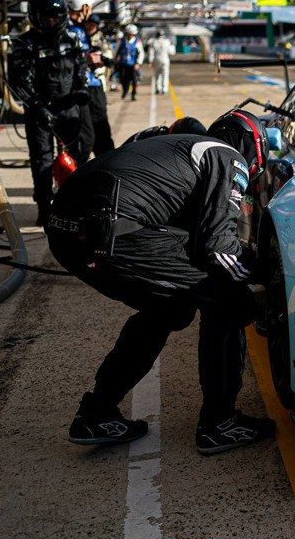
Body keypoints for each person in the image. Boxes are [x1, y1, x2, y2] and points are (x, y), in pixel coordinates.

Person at [47, 109, 275, 455]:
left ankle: (97, 412)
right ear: (251, 146)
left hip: (64, 231)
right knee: (229, 301)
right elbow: (217, 247)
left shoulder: (176, 147)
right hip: (113, 230)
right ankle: (220, 423)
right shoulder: (228, 157)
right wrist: (266, 279)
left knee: (170, 307)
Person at [8, 0, 88, 226]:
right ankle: (44, 207)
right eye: (47, 17)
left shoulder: (72, 39)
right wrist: (36, 106)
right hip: (40, 110)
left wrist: (80, 87)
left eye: (56, 16)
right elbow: (19, 80)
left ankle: (75, 205)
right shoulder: (25, 43)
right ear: (36, 17)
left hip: (68, 108)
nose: (52, 21)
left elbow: (80, 65)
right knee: (41, 161)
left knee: (76, 158)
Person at [66, 0, 114, 157]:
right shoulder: (69, 30)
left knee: (103, 136)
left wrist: (98, 59)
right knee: (86, 139)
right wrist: (86, 58)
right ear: (84, 7)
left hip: (93, 85)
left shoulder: (80, 29)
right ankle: (81, 176)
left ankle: (108, 169)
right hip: (80, 88)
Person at [115, 23, 143, 101]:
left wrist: (138, 63)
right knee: (123, 79)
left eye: (132, 34)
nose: (130, 35)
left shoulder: (137, 42)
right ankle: (125, 91)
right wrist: (115, 61)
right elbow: (116, 51)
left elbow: (141, 53)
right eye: (129, 34)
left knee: (134, 80)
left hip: (133, 64)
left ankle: (133, 94)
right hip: (123, 64)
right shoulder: (122, 41)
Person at [148, 29, 175, 94]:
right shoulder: (167, 42)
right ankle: (164, 89)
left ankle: (158, 88)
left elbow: (151, 52)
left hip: (156, 59)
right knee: (165, 75)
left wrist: (150, 61)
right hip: (165, 59)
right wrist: (172, 46)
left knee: (157, 75)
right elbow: (172, 52)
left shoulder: (154, 42)